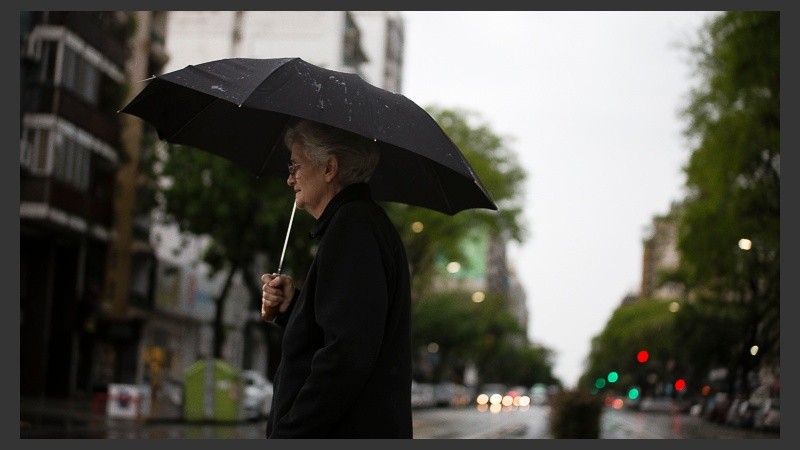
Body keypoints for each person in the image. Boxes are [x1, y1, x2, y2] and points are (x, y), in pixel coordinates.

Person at [261, 118, 413, 438]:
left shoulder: (353, 227)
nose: (290, 180)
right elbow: (344, 328)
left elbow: (346, 354)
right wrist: (294, 306)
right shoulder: (357, 223)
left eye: (295, 167)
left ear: (329, 168)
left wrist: (290, 433)